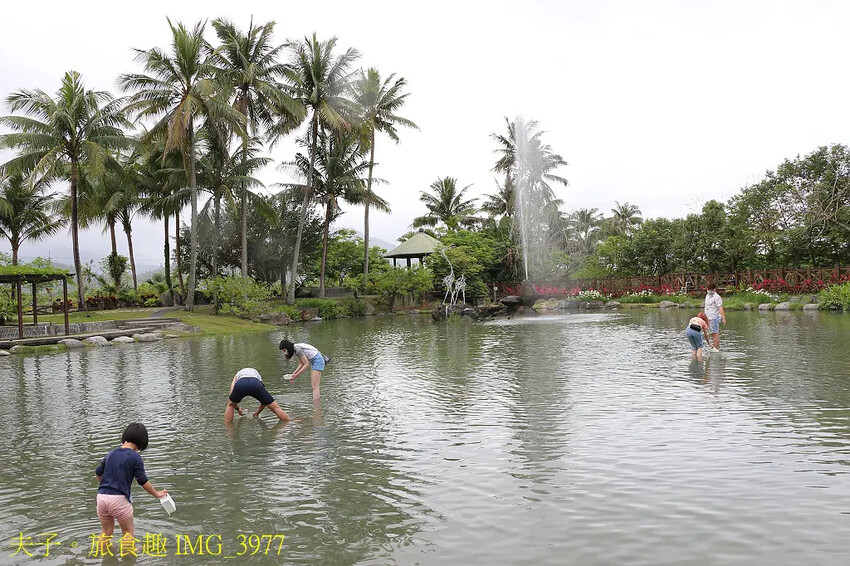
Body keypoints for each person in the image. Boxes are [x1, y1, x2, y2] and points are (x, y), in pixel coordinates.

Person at [95, 423, 167, 547]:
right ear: (140, 444)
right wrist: (157, 494)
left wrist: (106, 485)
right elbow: (142, 481)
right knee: (128, 533)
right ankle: (128, 559)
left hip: (101, 497)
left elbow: (98, 472)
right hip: (118, 500)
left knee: (106, 532)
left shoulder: (111, 453)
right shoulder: (135, 457)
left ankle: (100, 556)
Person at [226, 367, 291, 423]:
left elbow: (231, 394)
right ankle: (288, 422)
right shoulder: (257, 375)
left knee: (230, 405)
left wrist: (237, 409)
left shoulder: (237, 375)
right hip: (255, 383)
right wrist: (257, 413)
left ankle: (229, 431)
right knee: (275, 407)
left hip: (241, 383)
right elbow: (264, 402)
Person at [704, 283, 726, 350]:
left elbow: (720, 308)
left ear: (714, 289)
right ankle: (714, 346)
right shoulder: (707, 296)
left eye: (712, 289)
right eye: (709, 289)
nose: (710, 291)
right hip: (708, 317)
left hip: (714, 317)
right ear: (707, 289)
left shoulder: (717, 297)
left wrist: (723, 318)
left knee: (715, 334)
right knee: (711, 333)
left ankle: (717, 348)